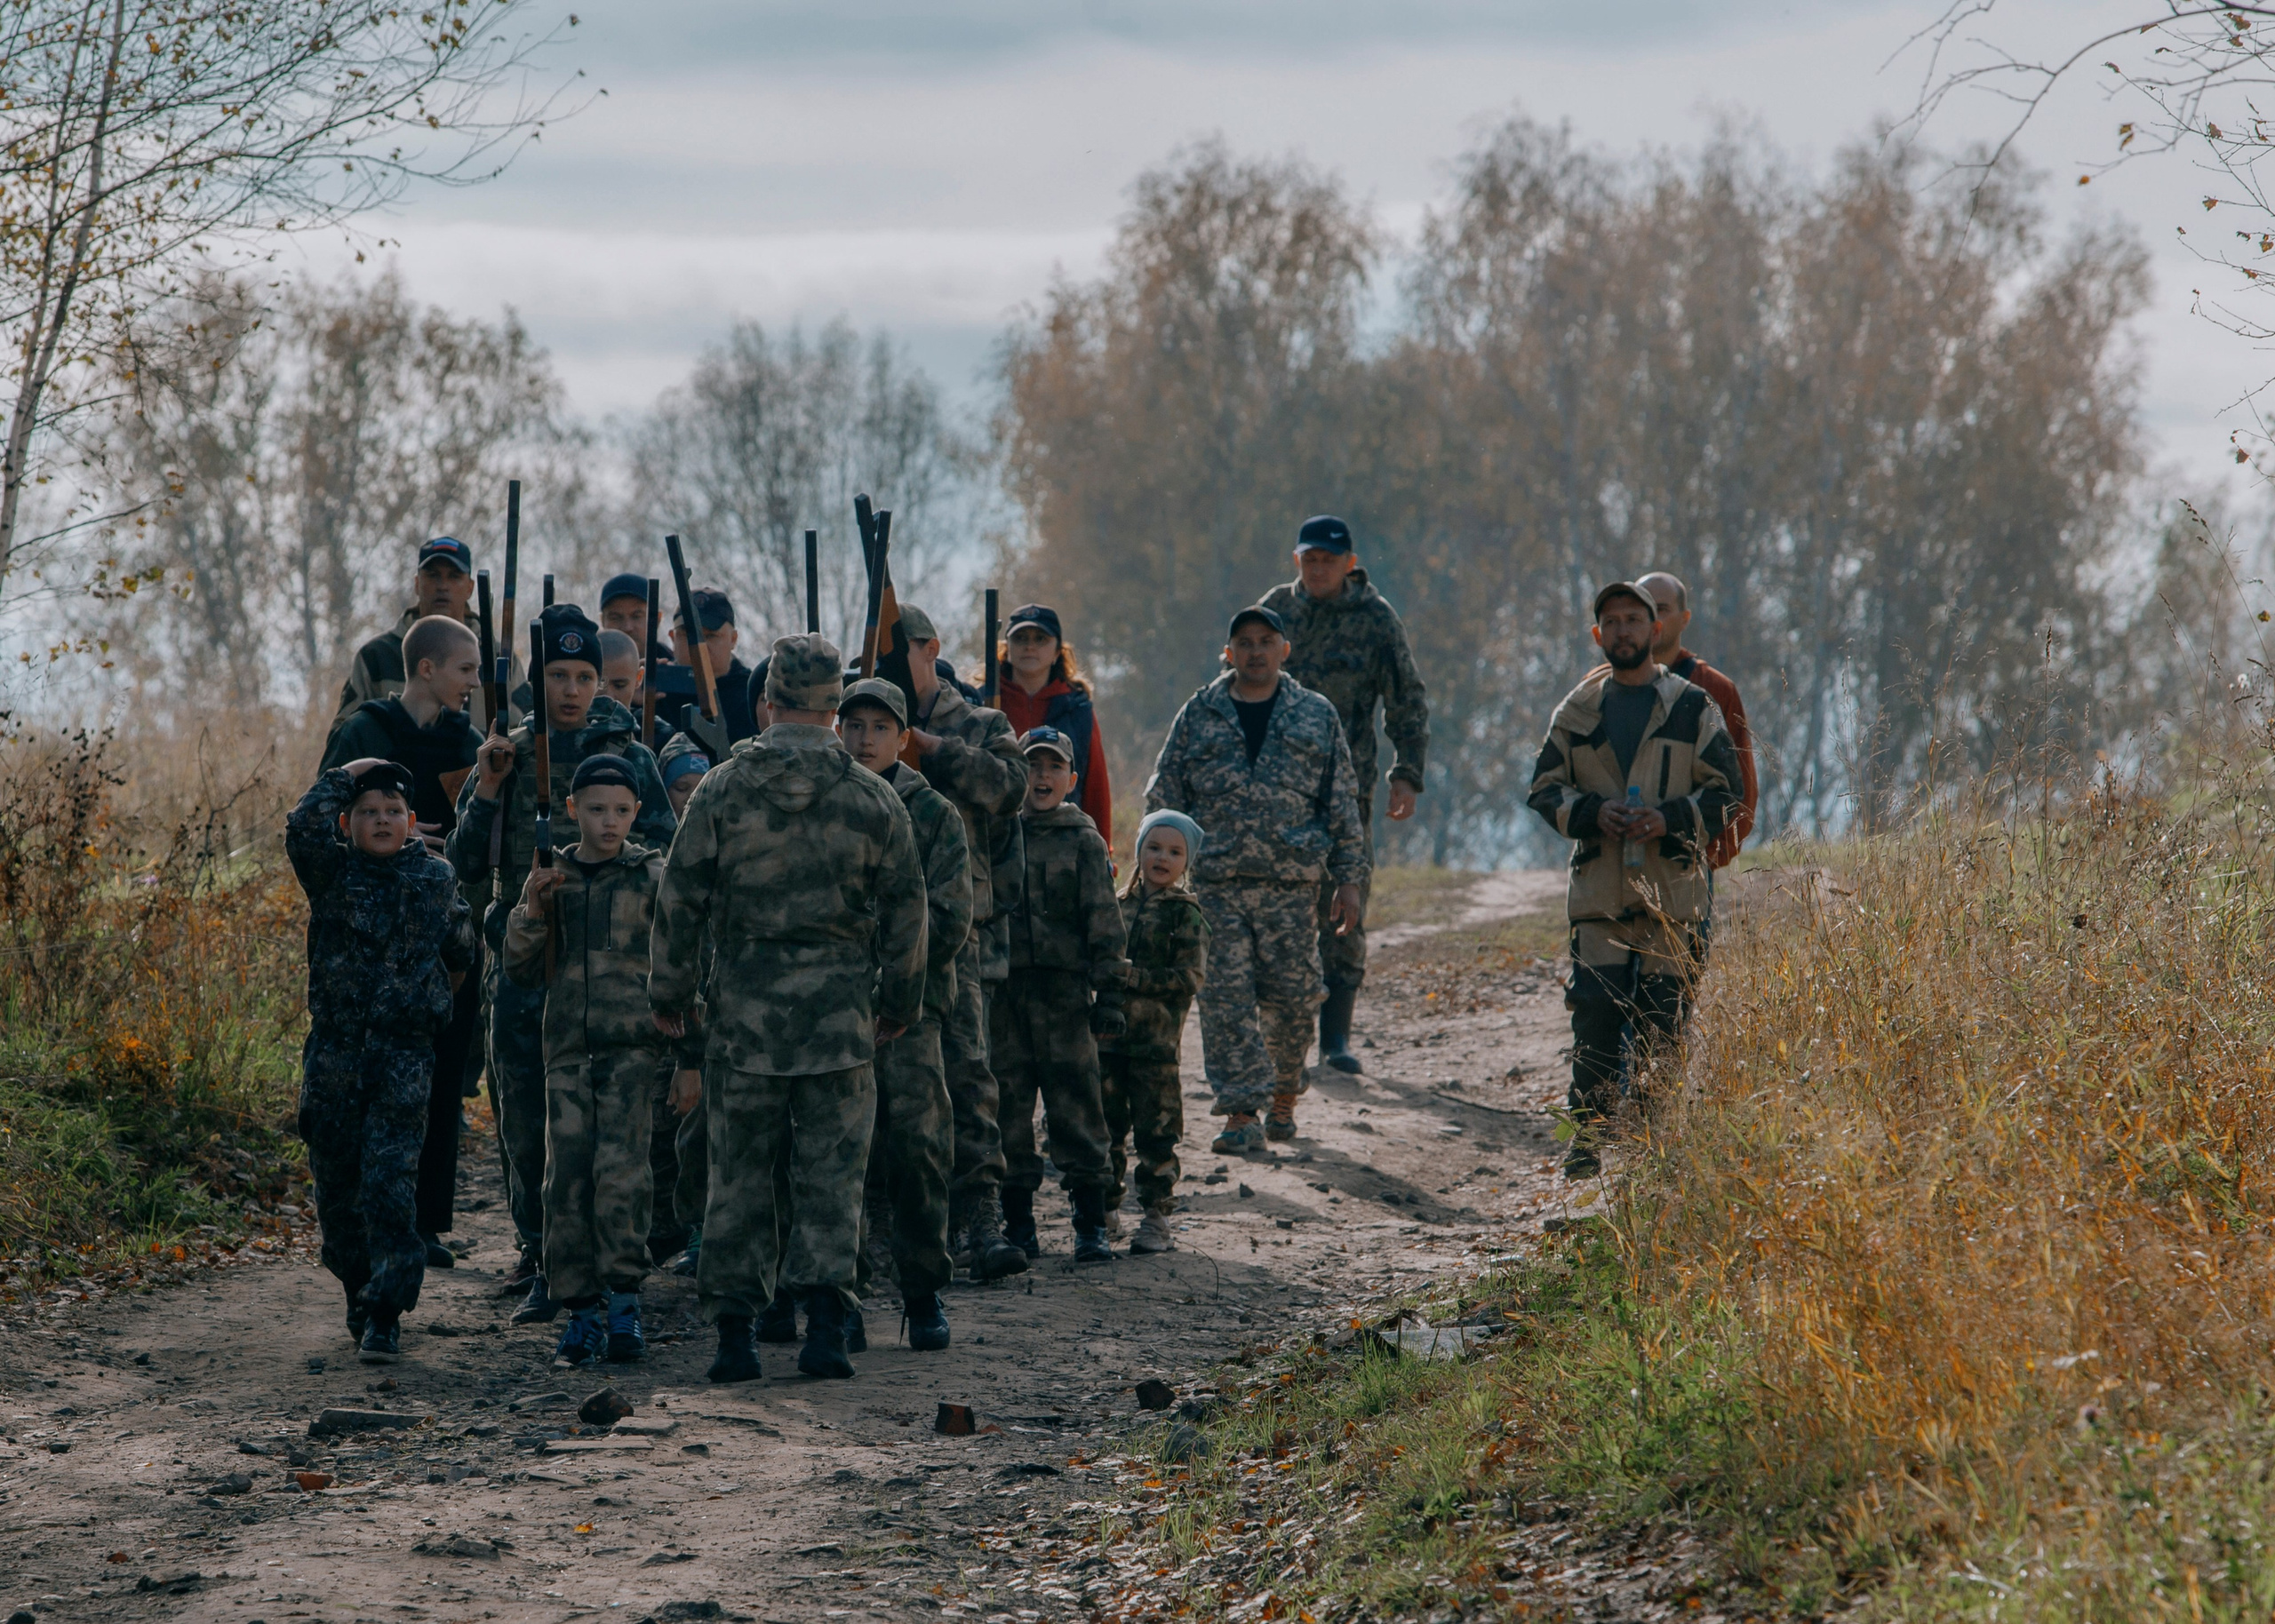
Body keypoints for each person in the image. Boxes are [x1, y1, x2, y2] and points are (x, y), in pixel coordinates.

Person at [650, 634, 927, 1384]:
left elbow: (679, 900)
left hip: (744, 1015)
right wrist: (900, 1001)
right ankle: (826, 1328)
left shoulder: (720, 790)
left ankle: (736, 1336)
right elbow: (908, 911)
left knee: (738, 1173)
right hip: (841, 1019)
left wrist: (671, 995)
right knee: (832, 1174)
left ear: (768, 701)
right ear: (837, 710)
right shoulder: (874, 798)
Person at [450, 603, 676, 1324]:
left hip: (610, 973)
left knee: (615, 1135)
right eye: (557, 675)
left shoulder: (629, 754)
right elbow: (460, 862)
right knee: (526, 1120)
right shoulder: (508, 753)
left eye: (584, 675)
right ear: (535, 679)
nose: (573, 690)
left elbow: (666, 853)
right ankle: (542, 1253)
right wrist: (487, 787)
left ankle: (616, 1268)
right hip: (525, 964)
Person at [1527, 582, 1744, 1180]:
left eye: (1633, 620)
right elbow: (1543, 792)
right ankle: (1585, 1150)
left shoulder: (1692, 707)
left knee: (1663, 1027)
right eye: (1611, 622)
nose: (1623, 631)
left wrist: (1668, 819)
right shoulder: (1577, 711)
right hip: (1599, 900)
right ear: (1598, 636)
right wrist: (1593, 814)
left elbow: (1730, 795)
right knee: (1593, 1020)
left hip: (1672, 900)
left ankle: (1657, 1154)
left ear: (1655, 632)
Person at [1144, 605, 1367, 1152]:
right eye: (1243, 642)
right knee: (1224, 1000)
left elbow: (1341, 802)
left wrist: (1350, 879)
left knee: (1294, 999)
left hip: (1291, 889)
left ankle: (1284, 1093)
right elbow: (1165, 795)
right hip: (1215, 885)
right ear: (1229, 652)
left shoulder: (1315, 715)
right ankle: (1242, 1112)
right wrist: (1159, 867)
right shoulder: (1200, 713)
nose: (1255, 651)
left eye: (1266, 640)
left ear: (1284, 649)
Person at [502, 754, 693, 1367]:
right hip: (566, 1056)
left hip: (634, 1054)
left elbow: (685, 967)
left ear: (636, 813)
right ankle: (579, 1313)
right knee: (566, 1184)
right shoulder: (551, 876)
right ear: (572, 810)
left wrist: (690, 1055)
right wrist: (533, 912)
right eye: (595, 810)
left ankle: (624, 1309)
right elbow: (519, 967)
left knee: (624, 1180)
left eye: (620, 811)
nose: (608, 822)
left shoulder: (652, 877)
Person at [284, 760, 476, 1365]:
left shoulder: (436, 880)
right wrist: (347, 773)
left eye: (394, 811)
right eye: (369, 812)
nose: (383, 820)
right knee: (339, 1187)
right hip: (336, 1056)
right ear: (348, 824)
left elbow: (461, 954)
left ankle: (387, 1311)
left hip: (402, 1057)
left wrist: (422, 1009)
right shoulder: (332, 875)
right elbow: (301, 827)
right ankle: (357, 1290)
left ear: (413, 823)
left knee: (391, 1184)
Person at [319, 616, 484, 1270]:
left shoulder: (467, 739)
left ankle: (424, 1222)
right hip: (366, 933)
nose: (474, 682)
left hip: (438, 924)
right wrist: (388, 836)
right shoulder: (365, 732)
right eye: (466, 670)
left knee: (439, 1078)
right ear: (428, 669)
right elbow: (324, 817)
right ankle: (365, 1224)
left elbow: (477, 829)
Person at [1258, 514, 1429, 1075]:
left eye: (1329, 561)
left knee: (1344, 905)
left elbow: (1406, 698)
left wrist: (1406, 771)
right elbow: (1237, 679)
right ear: (1296, 561)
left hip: (1345, 791)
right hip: (1276, 788)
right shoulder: (1274, 613)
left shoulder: (1376, 620)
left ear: (1350, 564)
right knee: (1276, 909)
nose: (1318, 570)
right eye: (1309, 560)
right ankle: (1278, 1036)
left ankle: (1335, 1039)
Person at [898, 603, 1032, 1279]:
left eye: (903, 649)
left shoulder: (978, 724)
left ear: (931, 648)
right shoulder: (858, 722)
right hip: (876, 934)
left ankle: (981, 1219)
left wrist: (931, 750)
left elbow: (1012, 787)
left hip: (958, 932)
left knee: (969, 1075)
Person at [837, 677, 970, 1350]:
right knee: (842, 1154)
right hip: (832, 1011)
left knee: (919, 1147)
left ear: (901, 737)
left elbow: (949, 917)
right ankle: (844, 1295)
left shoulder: (934, 813)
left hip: (913, 1012)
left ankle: (922, 1292)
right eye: (853, 725)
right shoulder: (824, 806)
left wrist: (896, 981)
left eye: (879, 727)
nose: (865, 739)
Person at [993, 726, 1129, 1262]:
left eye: (1053, 768)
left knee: (1077, 1105)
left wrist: (1110, 994)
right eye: (1031, 766)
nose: (1041, 777)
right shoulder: (1001, 834)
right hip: (1007, 994)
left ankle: (1090, 1223)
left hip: (1065, 996)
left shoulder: (1084, 840)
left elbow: (1104, 921)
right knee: (1007, 1108)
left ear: (1072, 780)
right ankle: (1019, 1224)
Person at [1099, 809, 1209, 1255]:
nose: (1163, 858)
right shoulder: (1116, 905)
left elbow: (1190, 979)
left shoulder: (1187, 915)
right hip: (1107, 1042)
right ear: (1139, 850)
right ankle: (1103, 1212)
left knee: (1156, 1132)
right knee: (1105, 1129)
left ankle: (1156, 1218)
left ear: (1187, 862)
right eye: (1154, 847)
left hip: (1157, 1048)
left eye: (1175, 852)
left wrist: (1135, 978)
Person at [1633, 571, 1757, 874]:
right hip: (1615, 873)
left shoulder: (1715, 689)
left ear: (1685, 618)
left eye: (1661, 609)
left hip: (1687, 873)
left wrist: (1707, 858)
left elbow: (1741, 789)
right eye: (1643, 610)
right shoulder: (1600, 688)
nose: (1652, 619)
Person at [327, 537, 482, 736]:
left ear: (470, 587)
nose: (443, 586)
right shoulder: (377, 656)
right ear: (417, 583)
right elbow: (343, 741)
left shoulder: (499, 659)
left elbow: (525, 738)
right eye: (433, 576)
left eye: (454, 576)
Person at [994, 604, 1112, 839]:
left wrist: (1103, 850)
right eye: (1020, 638)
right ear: (1006, 649)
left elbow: (1094, 787)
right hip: (997, 842)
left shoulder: (1078, 709)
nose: (1029, 646)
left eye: (1040, 639)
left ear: (1058, 651)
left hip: (1064, 843)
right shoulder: (981, 702)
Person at [664, 586, 762, 749]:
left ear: (733, 639)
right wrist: (631, 694)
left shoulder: (752, 695)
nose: (699, 646)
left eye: (710, 636)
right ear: (673, 639)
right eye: (689, 636)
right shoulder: (658, 692)